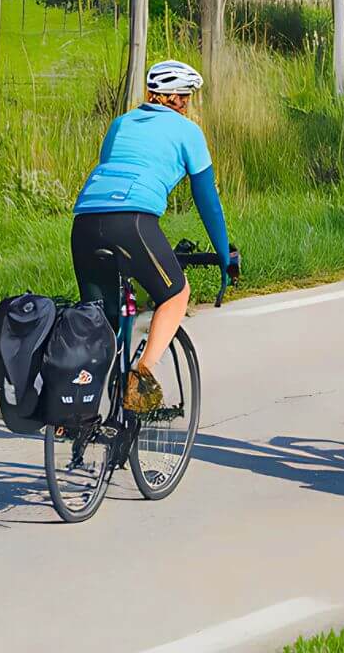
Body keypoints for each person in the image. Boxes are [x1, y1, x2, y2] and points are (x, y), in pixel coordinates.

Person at [71, 59, 235, 411]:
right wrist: (224, 255)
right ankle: (140, 378)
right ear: (179, 99)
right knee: (176, 292)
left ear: (151, 94)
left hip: (84, 221)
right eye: (187, 97)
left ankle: (73, 412)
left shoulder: (120, 124)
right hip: (131, 220)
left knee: (98, 320)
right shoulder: (188, 132)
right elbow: (208, 201)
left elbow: (110, 171)